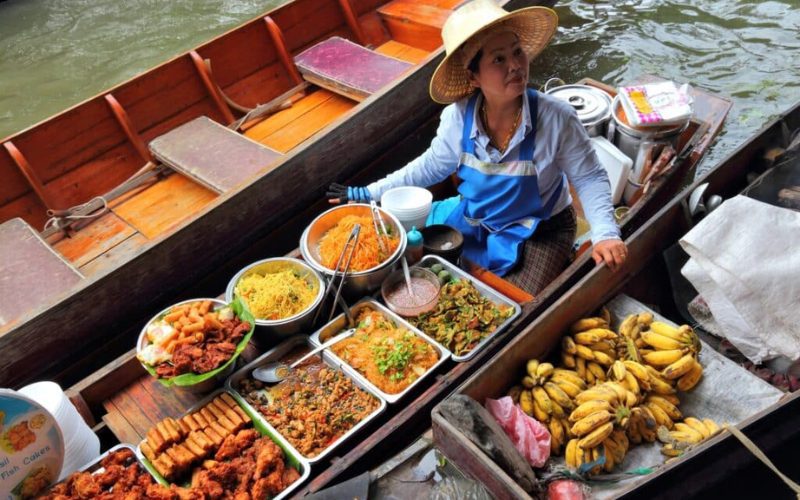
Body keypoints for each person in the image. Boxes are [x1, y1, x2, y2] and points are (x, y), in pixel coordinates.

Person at [328, 0, 627, 295]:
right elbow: (430, 166)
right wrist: (367, 193)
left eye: (517, 52)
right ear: (473, 76)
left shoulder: (557, 117)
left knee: (512, 304)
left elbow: (589, 177)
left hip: (541, 230)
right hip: (477, 219)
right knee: (433, 279)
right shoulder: (458, 118)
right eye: (498, 59)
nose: (515, 65)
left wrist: (605, 234)